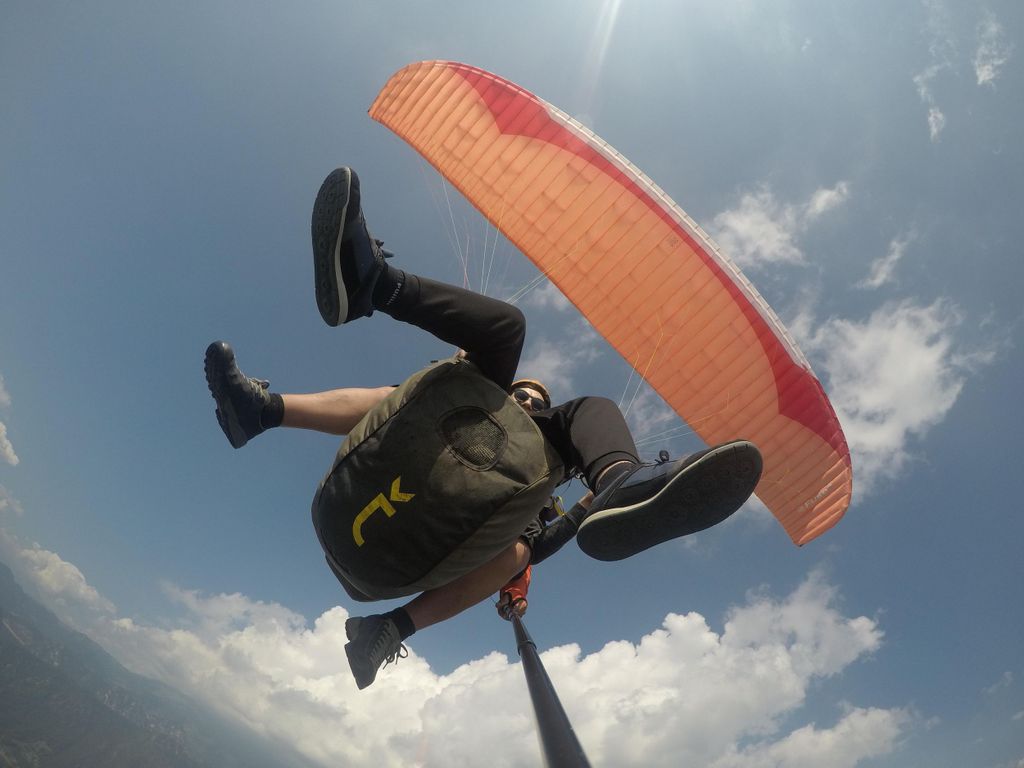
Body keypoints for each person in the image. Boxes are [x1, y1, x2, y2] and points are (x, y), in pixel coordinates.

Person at [204, 167, 763, 689]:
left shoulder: (544, 478)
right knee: (440, 375)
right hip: (375, 504)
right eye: (525, 394)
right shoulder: (474, 392)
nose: (527, 400)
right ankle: (283, 387)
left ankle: (617, 483)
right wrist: (466, 373)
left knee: (523, 546)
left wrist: (586, 510)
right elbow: (416, 398)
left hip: (391, 562)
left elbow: (540, 545)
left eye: (535, 399)